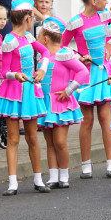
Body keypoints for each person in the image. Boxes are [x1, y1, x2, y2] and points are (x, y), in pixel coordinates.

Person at [63, 0, 111, 178]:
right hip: (86, 76)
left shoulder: (105, 15)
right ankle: (86, 163)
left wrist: (110, 44)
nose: (108, 2)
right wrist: (79, 57)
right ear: (93, 1)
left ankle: (110, 162)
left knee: (106, 118)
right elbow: (61, 48)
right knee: (87, 120)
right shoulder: (75, 22)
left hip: (103, 72)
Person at [0, 0, 52, 195]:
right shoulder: (9, 40)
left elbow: (46, 53)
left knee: (33, 137)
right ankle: (12, 182)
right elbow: (3, 72)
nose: (33, 20)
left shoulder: (28, 38)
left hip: (30, 92)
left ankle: (38, 179)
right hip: (14, 92)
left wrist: (42, 70)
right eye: (32, 17)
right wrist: (15, 75)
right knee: (14, 138)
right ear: (26, 18)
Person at [36, 17, 87, 190]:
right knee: (49, 142)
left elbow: (83, 72)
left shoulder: (64, 54)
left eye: (39, 36)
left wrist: (69, 90)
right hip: (45, 103)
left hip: (60, 102)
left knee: (60, 141)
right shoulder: (43, 57)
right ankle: (53, 176)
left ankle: (64, 175)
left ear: (45, 39)